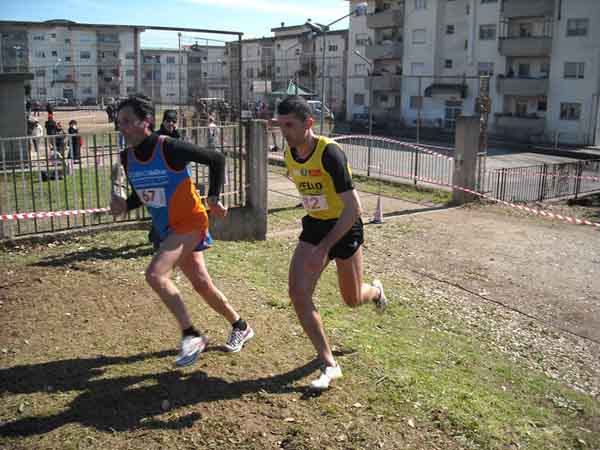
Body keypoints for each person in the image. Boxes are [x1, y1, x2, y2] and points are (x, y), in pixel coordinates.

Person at [110, 93, 254, 367]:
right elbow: (145, 193)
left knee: (155, 274)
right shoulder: (127, 159)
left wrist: (213, 197)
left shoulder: (167, 147)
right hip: (168, 228)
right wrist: (124, 206)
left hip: (191, 222)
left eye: (128, 121)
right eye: (120, 122)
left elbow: (216, 159)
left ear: (147, 122)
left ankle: (192, 335)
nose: (123, 127)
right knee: (202, 284)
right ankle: (241, 325)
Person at [277, 96, 388, 390]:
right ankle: (329, 364)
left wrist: (325, 248)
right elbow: (301, 179)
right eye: (280, 125)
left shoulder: (330, 153)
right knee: (298, 293)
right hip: (315, 224)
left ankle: (376, 292)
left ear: (309, 124)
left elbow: (354, 208)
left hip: (345, 226)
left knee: (351, 299)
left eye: (289, 125)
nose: (283, 131)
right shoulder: (289, 153)